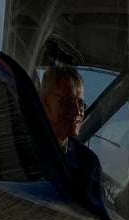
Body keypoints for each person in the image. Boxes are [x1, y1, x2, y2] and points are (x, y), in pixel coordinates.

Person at [40, 63, 104, 211]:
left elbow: (96, 219)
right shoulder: (23, 148)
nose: (77, 111)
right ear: (45, 104)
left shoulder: (88, 163)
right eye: (67, 102)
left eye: (81, 103)